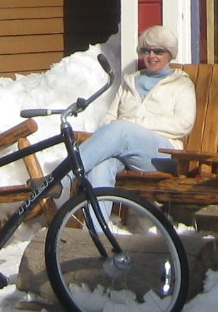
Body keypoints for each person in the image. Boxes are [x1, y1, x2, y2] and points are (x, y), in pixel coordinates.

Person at [76, 25, 197, 189]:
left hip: (163, 154)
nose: (151, 56)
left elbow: (183, 123)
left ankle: (59, 180)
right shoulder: (129, 82)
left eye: (158, 51)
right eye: (146, 51)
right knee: (100, 167)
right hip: (125, 150)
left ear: (169, 54)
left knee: (122, 129)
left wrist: (134, 124)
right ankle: (97, 207)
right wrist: (121, 128)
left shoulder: (182, 84)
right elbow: (108, 119)